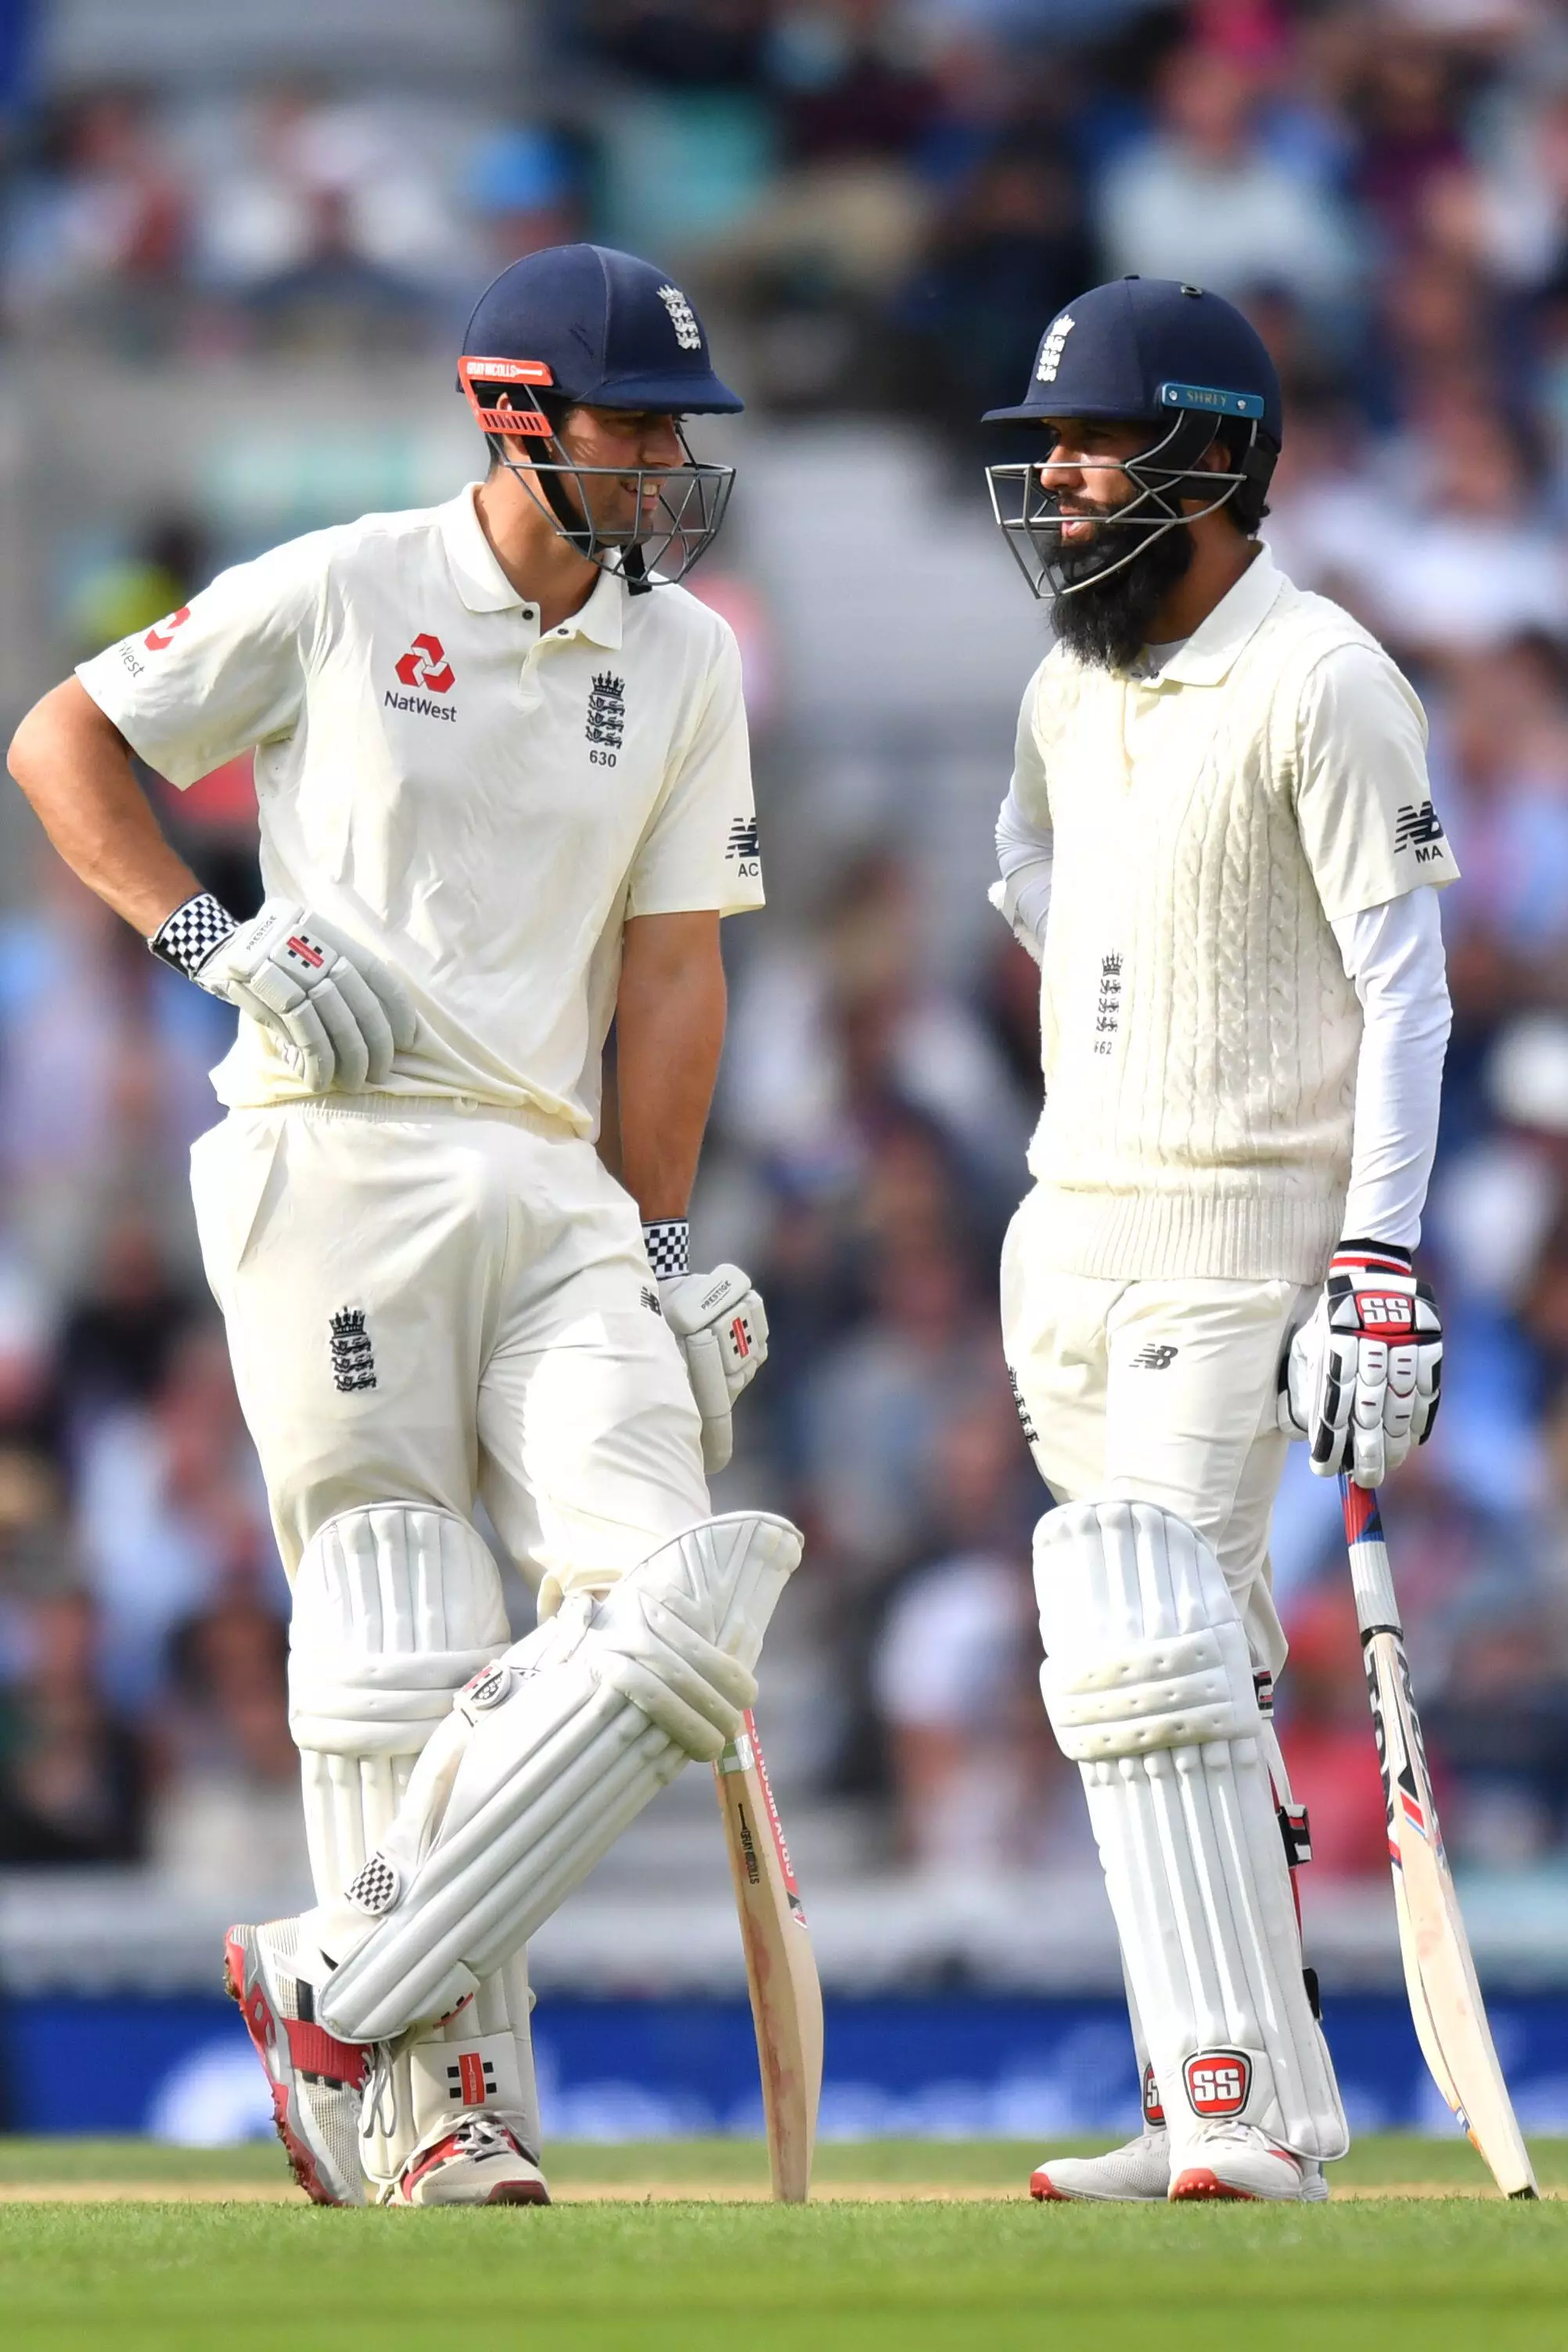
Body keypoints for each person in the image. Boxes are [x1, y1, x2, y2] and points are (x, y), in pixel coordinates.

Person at [8, 242, 801, 2210]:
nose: (666, 465)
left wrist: (673, 1234)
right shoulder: (351, 584)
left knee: (676, 1608)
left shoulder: (685, 657)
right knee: (395, 1624)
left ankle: (332, 1971)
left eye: (677, 430)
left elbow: (677, 969)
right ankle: (445, 2108)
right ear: (516, 418)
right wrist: (214, 937)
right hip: (331, 1143)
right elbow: (63, 740)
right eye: (633, 426)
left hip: (558, 1180)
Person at [982, 276, 1455, 2203]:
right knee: (1161, 1679)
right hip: (1064, 1228)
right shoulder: (1065, 681)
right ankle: (1254, 2102)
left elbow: (1406, 988)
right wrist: (1119, 985)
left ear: (1221, 458)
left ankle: (1233, 2101)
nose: (1068, 480)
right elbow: (1026, 864)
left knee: (1153, 1652)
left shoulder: (1326, 676)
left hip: (1240, 1235)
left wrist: (1379, 1258)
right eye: (1056, 448)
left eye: (1101, 443)